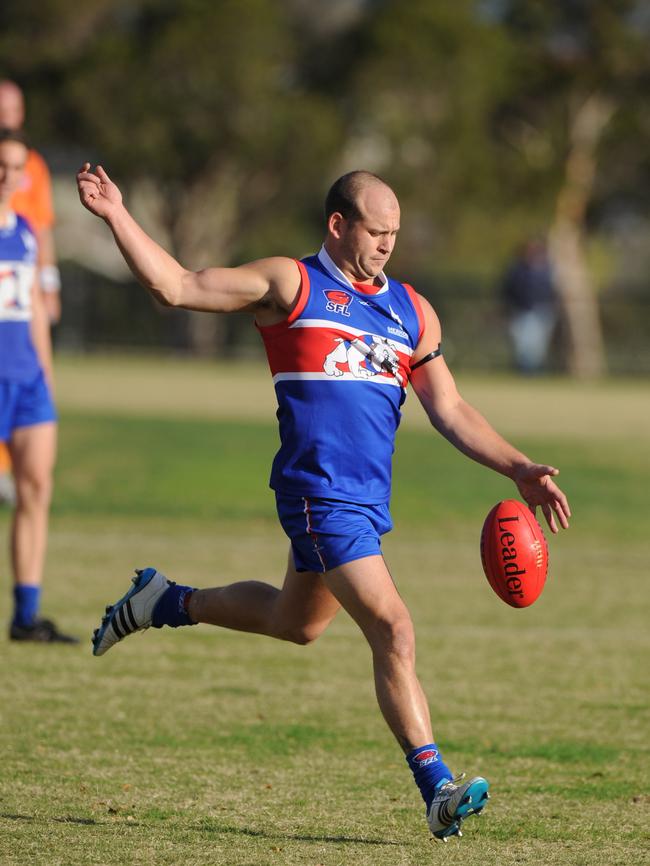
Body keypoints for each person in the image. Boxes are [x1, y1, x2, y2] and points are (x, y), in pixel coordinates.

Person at [77, 164, 571, 841]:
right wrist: (116, 215)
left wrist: (518, 468)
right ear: (338, 224)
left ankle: (164, 600)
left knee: (296, 622)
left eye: (395, 232)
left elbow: (450, 409)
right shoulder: (292, 285)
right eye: (376, 230)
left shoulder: (411, 312)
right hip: (319, 493)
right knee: (393, 629)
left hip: (366, 502)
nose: (387, 244)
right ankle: (436, 788)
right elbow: (177, 287)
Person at [0, 128, 77, 644]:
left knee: (35, 490)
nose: (8, 175)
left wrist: (45, 377)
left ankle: (27, 616)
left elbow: (32, 317)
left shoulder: (26, 231)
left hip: (27, 383)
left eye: (15, 166)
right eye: (0, 165)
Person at [0, 80, 63, 507]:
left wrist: (48, 284)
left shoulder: (34, 166)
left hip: (19, 275)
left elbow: (41, 228)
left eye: (14, 107)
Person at [501, 237, 559, 375]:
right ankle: (525, 372)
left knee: (537, 347)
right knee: (523, 345)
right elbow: (507, 290)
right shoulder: (517, 270)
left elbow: (553, 291)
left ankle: (533, 372)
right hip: (522, 311)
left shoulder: (547, 270)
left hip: (542, 312)